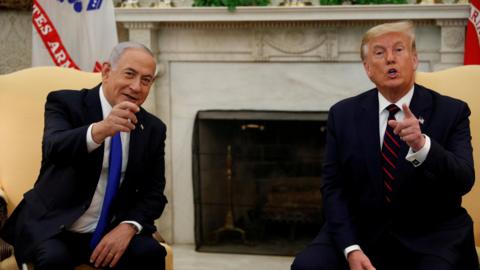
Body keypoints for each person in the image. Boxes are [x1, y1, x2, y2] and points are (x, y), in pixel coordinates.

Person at [291, 21, 479, 270]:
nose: (390, 59)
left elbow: (464, 179)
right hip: (362, 232)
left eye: (399, 50)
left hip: (430, 235)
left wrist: (422, 146)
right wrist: (351, 248)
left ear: (414, 60)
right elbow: (333, 188)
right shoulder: (342, 114)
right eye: (379, 53)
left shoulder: (451, 111)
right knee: (307, 266)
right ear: (368, 68)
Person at [1, 42, 167, 269]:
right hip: (56, 227)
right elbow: (54, 147)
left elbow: (154, 193)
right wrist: (102, 129)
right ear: (107, 72)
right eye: (129, 74)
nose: (136, 87)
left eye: (146, 80)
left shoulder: (152, 128)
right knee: (53, 260)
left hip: (111, 230)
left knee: (150, 253)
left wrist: (129, 226)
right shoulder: (65, 102)